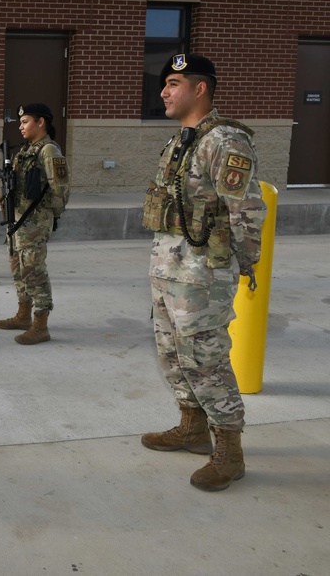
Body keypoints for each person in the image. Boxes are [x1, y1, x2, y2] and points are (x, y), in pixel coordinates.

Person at [140, 54, 265, 492]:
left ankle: (229, 450)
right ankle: (192, 427)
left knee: (205, 360)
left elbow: (246, 209)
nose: (164, 92)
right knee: (173, 354)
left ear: (200, 89)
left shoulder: (225, 140)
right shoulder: (183, 139)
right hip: (169, 266)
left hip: (203, 275)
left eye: (173, 83)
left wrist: (244, 263)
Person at [0, 103, 69, 344]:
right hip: (19, 220)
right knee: (19, 268)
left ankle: (41, 325)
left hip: (35, 221)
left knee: (34, 270)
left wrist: (48, 216)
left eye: (26, 121)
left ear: (41, 122)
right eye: (20, 122)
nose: (21, 126)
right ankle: (23, 315)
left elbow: (61, 189)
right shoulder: (25, 149)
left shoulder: (48, 151)